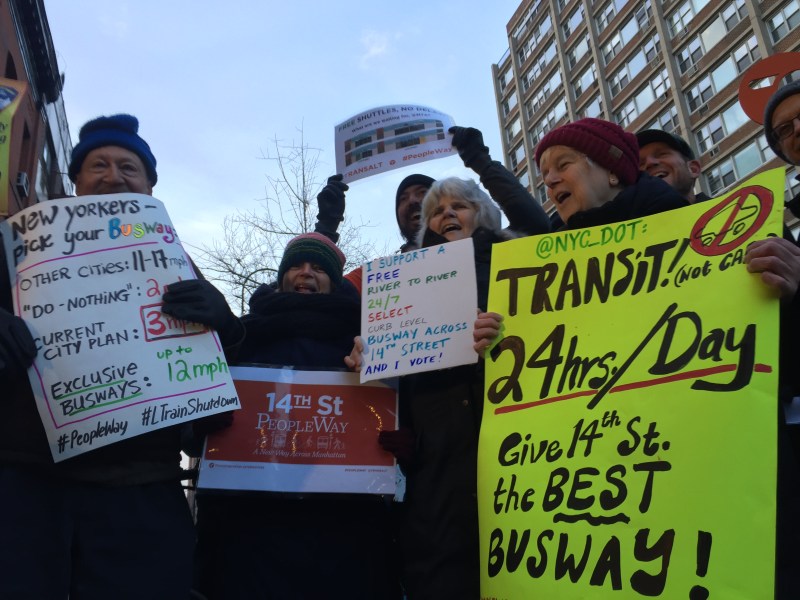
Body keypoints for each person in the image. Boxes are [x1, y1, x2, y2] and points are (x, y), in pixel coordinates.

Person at [475, 117, 800, 598]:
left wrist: (795, 291)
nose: (549, 179)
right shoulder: (539, 280)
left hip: (729, 511)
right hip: (604, 526)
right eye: (545, 172)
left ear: (611, 172)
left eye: (563, 164)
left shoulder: (726, 236)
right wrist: (495, 343)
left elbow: (781, 374)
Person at [0, 114, 241, 599]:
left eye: (129, 168)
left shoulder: (171, 258)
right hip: (27, 484)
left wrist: (228, 326)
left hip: (140, 489)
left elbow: (217, 369)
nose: (113, 177)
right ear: (76, 179)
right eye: (99, 165)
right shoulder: (19, 243)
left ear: (150, 184)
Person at [345, 174, 549, 599]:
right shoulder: (401, 286)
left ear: (483, 214)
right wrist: (369, 362)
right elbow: (399, 377)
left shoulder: (522, 263)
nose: (447, 214)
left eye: (460, 205)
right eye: (438, 211)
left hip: (521, 458)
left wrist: (511, 333)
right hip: (437, 476)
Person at [194, 232, 401, 600]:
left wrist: (395, 418)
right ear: (282, 276)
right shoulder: (241, 335)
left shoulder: (365, 340)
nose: (305, 273)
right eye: (296, 265)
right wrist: (204, 423)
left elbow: (405, 406)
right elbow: (196, 410)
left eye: (319, 268)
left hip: (344, 535)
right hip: (250, 535)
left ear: (334, 282)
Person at [636, 129, 709, 203]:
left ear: (693, 169)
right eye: (640, 164)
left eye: (662, 154)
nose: (649, 162)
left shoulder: (720, 212)